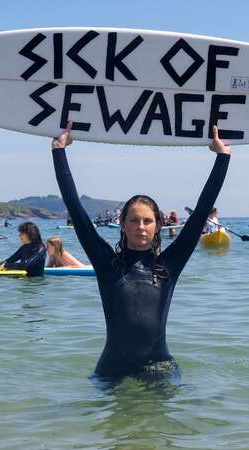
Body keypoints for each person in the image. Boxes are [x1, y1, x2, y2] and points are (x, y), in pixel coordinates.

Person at [52, 122, 230, 379]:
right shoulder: (107, 264)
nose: (141, 227)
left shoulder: (169, 265)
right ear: (122, 224)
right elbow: (75, 209)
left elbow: (202, 210)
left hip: (159, 367)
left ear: (158, 226)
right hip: (112, 367)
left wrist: (222, 157)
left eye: (147, 221)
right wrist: (59, 150)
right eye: (134, 220)